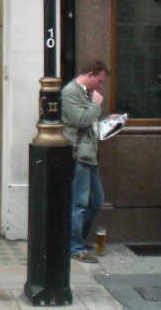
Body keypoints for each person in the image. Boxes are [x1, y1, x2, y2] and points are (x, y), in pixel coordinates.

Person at [62, 60, 112, 264]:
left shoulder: (85, 93)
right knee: (79, 203)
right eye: (99, 81)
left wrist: (109, 123)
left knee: (96, 201)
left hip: (89, 155)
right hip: (80, 155)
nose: (100, 86)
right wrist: (96, 105)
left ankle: (75, 239)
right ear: (90, 75)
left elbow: (89, 123)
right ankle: (75, 246)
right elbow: (81, 119)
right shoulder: (70, 92)